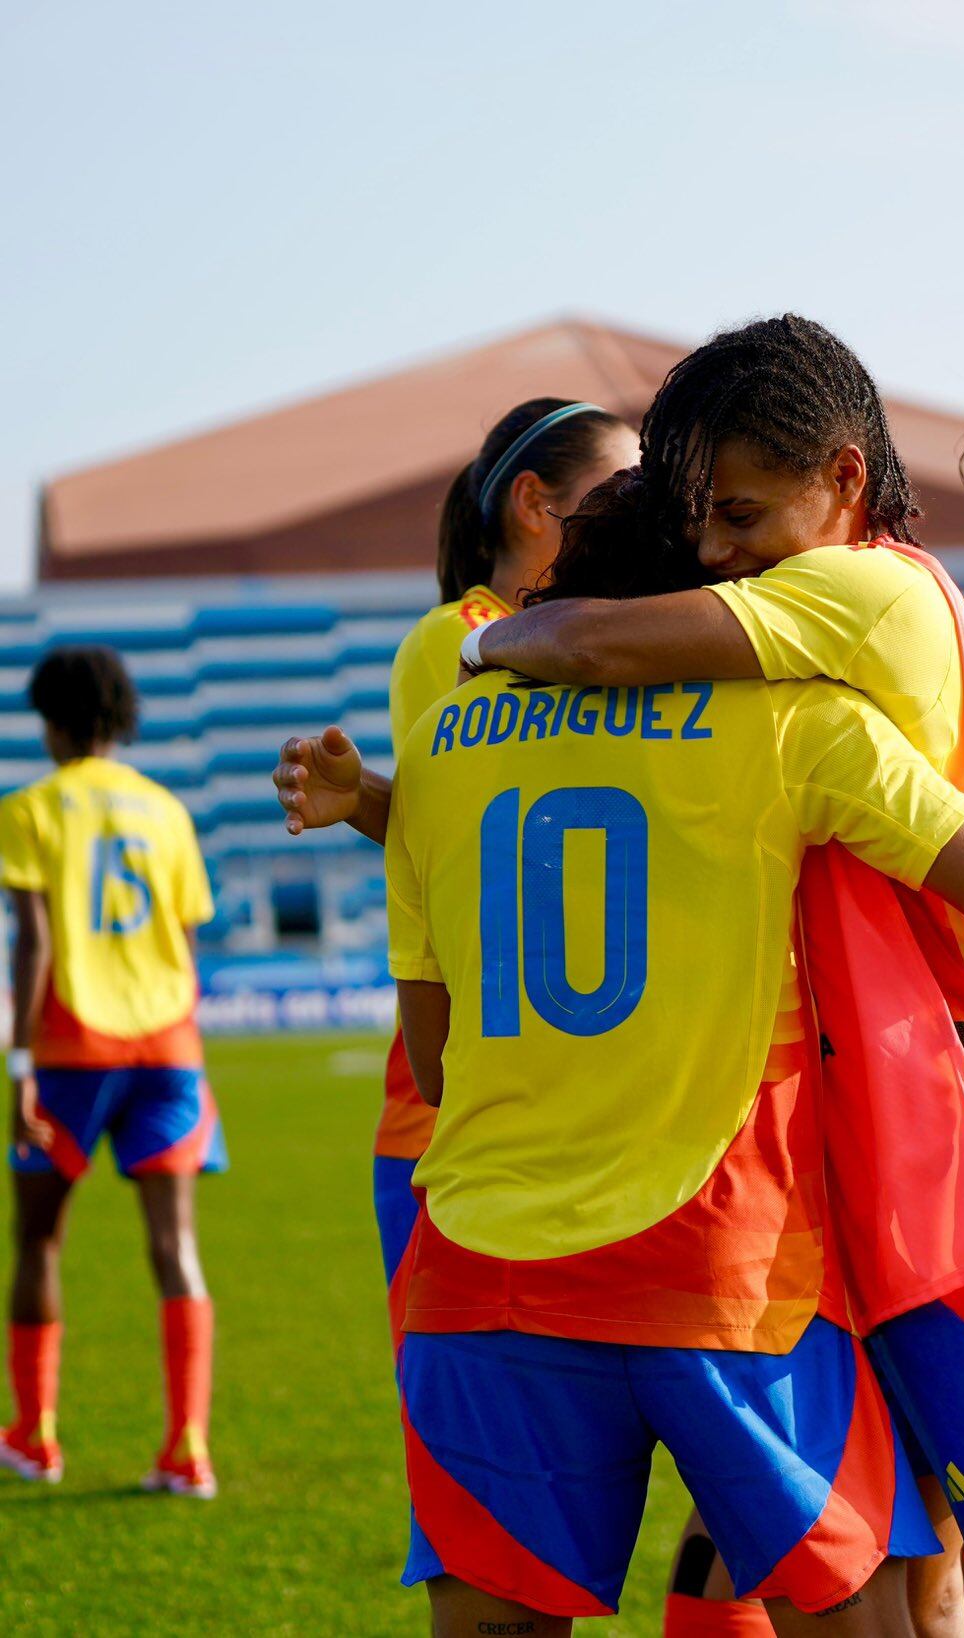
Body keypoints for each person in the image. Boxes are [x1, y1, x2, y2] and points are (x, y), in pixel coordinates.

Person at [282, 316, 964, 1638]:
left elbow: (579, 683)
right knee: (905, 1565)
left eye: (742, 515)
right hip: (803, 1177)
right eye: (705, 525)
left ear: (841, 479)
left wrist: (483, 662)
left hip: (960, 1136)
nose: (724, 551)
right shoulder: (782, 708)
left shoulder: (862, 594)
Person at [381, 481, 964, 1636]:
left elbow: (434, 1063)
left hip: (481, 1267)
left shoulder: (436, 743)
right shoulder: (791, 721)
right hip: (728, 1265)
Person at [301, 397, 636, 1302]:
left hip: (576, 1084)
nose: (643, 506)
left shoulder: (606, 638)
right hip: (463, 1084)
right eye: (619, 485)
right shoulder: (458, 638)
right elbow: (467, 841)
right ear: (534, 504)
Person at [1, 648, 221, 1496]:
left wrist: (20, 1062)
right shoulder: (168, 811)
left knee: (39, 1239)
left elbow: (36, 943)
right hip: (168, 1049)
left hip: (71, 1050)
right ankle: (188, 1449)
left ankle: (35, 1437)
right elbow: (186, 943)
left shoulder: (32, 808)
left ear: (51, 721)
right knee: (176, 1247)